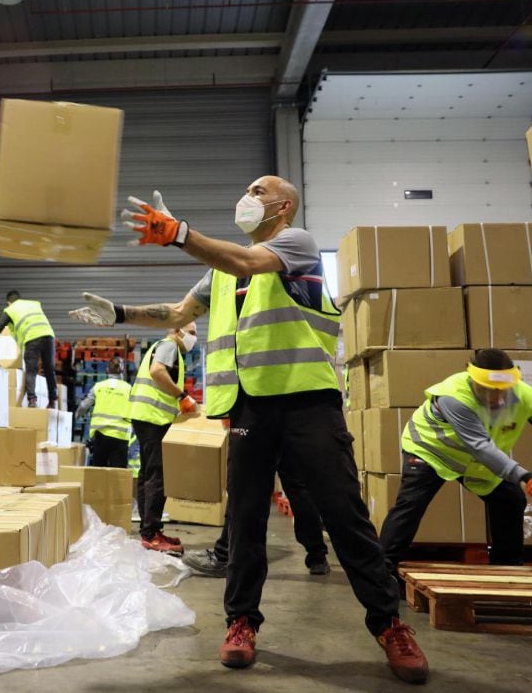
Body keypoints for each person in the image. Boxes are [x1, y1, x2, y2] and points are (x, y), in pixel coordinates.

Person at [69, 182, 429, 683]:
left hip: (307, 400)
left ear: (283, 206)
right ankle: (241, 622)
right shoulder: (218, 272)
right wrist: (122, 314)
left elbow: (245, 261)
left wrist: (179, 233)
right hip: (249, 407)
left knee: (343, 513)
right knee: (243, 518)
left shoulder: (296, 243)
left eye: (258, 191)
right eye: (246, 189)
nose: (247, 195)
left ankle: (389, 625)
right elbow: (178, 314)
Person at [380, 348, 532, 578]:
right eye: (488, 390)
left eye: (502, 390)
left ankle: (507, 569)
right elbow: (480, 446)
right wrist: (527, 478)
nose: (497, 398)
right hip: (431, 450)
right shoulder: (454, 397)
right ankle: (382, 570)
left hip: (475, 461)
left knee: (510, 499)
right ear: (473, 381)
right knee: (412, 504)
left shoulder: (525, 397)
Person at [184, 458, 331, 577]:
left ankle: (224, 555)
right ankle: (317, 556)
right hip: (290, 432)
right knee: (297, 486)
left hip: (257, 432)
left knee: (243, 484)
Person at [128, 323, 199, 554]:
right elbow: (157, 371)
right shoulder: (169, 346)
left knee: (148, 473)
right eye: (192, 332)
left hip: (145, 416)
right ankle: (151, 534)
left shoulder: (163, 346)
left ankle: (149, 532)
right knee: (158, 475)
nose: (194, 338)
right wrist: (182, 396)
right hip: (153, 418)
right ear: (177, 330)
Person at [0, 291, 58, 408]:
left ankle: (32, 400)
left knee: (31, 370)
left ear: (9, 302)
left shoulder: (10, 310)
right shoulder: (33, 304)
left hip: (32, 338)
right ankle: (53, 401)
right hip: (48, 335)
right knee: (49, 369)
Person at [74, 356, 134, 468]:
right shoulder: (129, 389)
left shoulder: (98, 387)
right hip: (121, 436)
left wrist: (74, 420)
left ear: (107, 370)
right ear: (123, 371)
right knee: (118, 473)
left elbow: (83, 406)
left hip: (101, 436)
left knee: (99, 472)